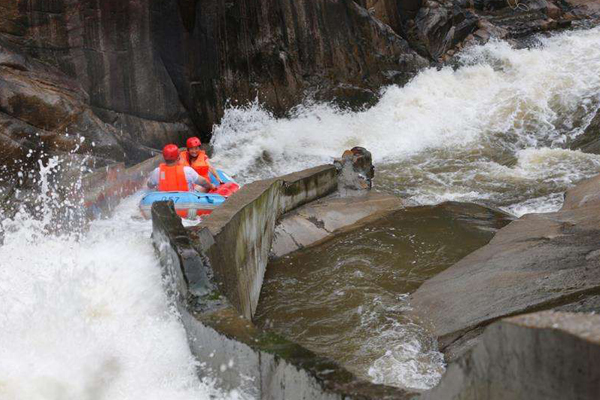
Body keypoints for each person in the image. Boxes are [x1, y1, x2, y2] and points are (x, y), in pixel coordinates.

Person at [147, 144, 216, 193]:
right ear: (178, 158)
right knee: (205, 186)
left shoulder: (157, 171)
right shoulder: (187, 170)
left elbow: (150, 185)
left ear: (164, 158)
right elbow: (203, 182)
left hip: (164, 199)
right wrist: (212, 186)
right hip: (186, 200)